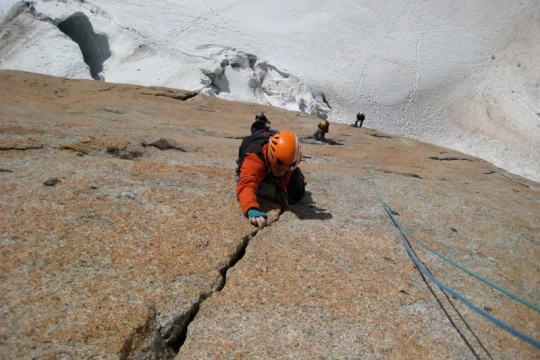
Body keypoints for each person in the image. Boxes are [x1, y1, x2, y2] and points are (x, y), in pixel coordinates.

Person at [236, 130, 306, 229]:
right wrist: (251, 208)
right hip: (257, 147)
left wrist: (281, 188)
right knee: (257, 186)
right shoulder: (254, 158)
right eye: (277, 168)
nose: (281, 173)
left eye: (285, 170)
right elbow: (247, 183)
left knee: (297, 192)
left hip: (274, 156)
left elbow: (287, 172)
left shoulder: (290, 159)